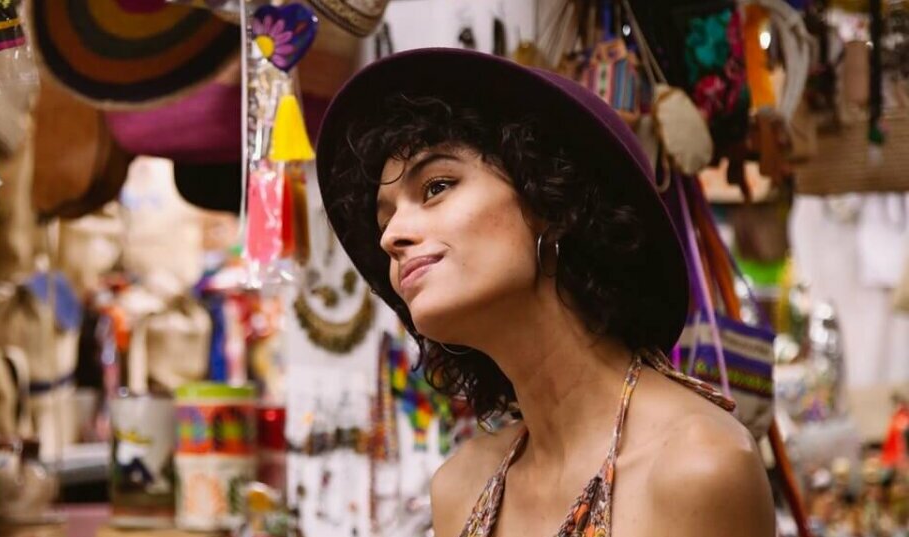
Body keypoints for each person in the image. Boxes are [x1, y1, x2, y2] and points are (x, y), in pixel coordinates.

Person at [314, 48, 776, 536]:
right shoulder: (460, 488)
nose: (391, 236)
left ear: (552, 202)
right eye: (385, 219)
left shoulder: (696, 465)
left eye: (436, 187)